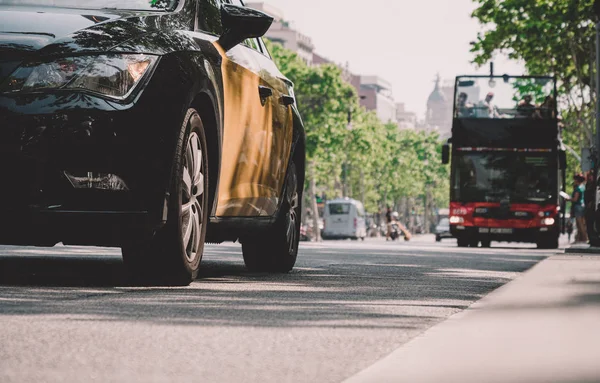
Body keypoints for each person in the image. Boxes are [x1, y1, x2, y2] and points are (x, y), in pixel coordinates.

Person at [567, 173, 588, 244]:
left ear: (577, 180)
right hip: (582, 205)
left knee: (580, 223)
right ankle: (580, 238)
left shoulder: (578, 188)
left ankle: (585, 238)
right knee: (582, 223)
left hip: (578, 206)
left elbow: (575, 199)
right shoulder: (583, 187)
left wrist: (568, 199)